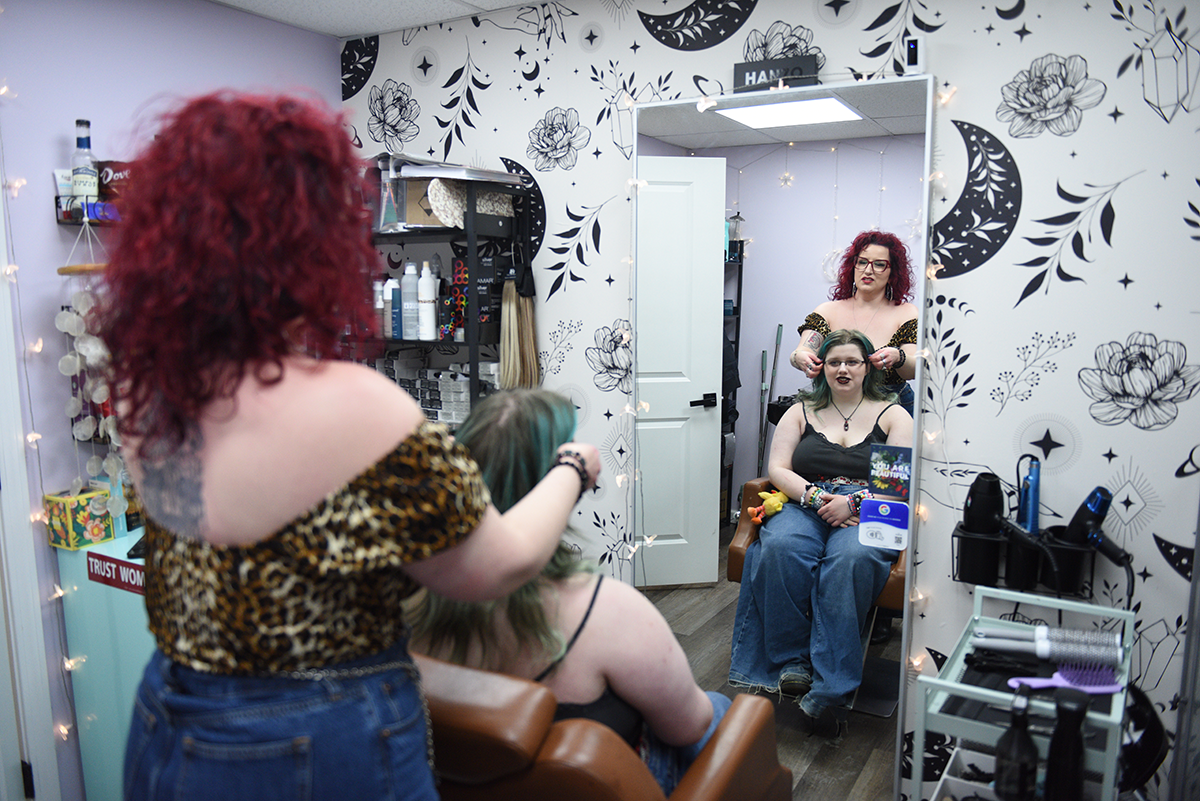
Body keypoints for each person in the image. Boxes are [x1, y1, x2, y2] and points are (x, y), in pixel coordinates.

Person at [91, 92, 599, 801]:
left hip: (169, 713)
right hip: (311, 736)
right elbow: (497, 565)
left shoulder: (151, 384)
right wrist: (573, 468)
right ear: (312, 241)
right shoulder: (355, 405)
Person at [406, 389, 731, 794]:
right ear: (557, 482)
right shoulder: (607, 610)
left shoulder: (406, 603)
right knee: (718, 710)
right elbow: (688, 727)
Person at [729, 329, 913, 737]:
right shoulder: (800, 410)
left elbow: (894, 486)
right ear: (821, 369)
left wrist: (854, 503)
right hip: (804, 499)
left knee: (850, 560)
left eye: (852, 361)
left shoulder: (894, 414)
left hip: (869, 507)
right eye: (834, 362)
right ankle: (792, 663)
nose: (843, 369)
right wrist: (814, 498)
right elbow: (778, 469)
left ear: (868, 367)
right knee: (780, 547)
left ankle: (832, 687)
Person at [789, 230, 919, 415]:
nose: (868, 270)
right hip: (835, 406)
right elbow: (803, 350)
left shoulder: (906, 313)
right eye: (862, 262)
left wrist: (898, 357)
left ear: (893, 273)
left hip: (893, 408)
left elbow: (911, 371)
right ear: (853, 266)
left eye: (880, 265)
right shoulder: (827, 311)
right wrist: (799, 358)